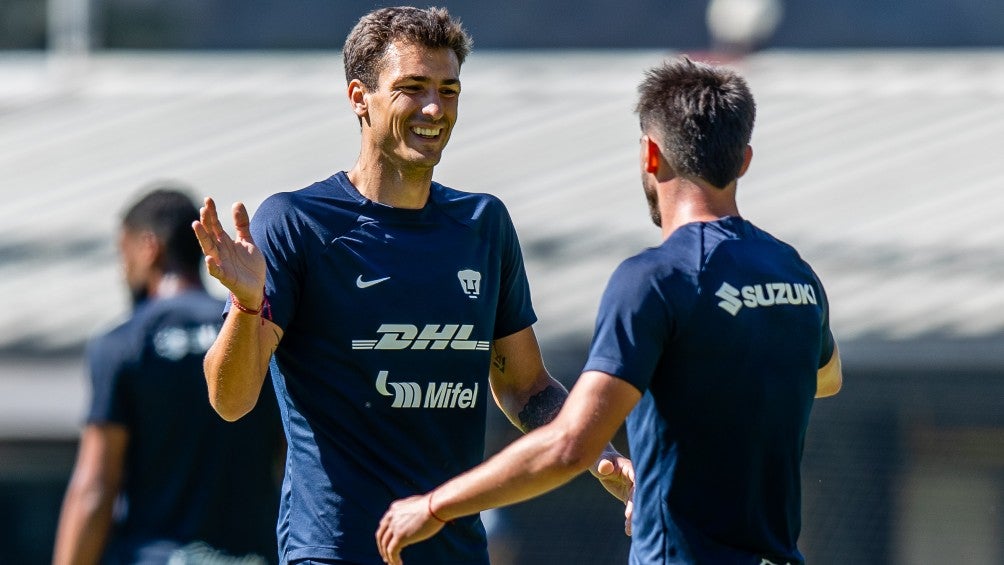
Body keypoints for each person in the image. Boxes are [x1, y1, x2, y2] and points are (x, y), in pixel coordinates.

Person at [190, 6, 633, 565]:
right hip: (337, 552)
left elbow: (526, 387)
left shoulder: (483, 225)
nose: (434, 109)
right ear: (359, 97)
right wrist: (246, 304)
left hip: (455, 551)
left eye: (449, 91)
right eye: (412, 88)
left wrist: (601, 456)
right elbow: (230, 401)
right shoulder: (297, 224)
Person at [376, 56, 843, 565]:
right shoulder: (795, 274)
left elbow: (570, 445)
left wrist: (435, 506)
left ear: (650, 154)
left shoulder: (656, 279)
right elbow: (826, 378)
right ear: (744, 159)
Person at [53, 186, 284, 564]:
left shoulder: (122, 344)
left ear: (149, 248)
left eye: (123, 254)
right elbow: (291, 455)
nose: (123, 269)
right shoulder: (250, 333)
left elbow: (95, 488)